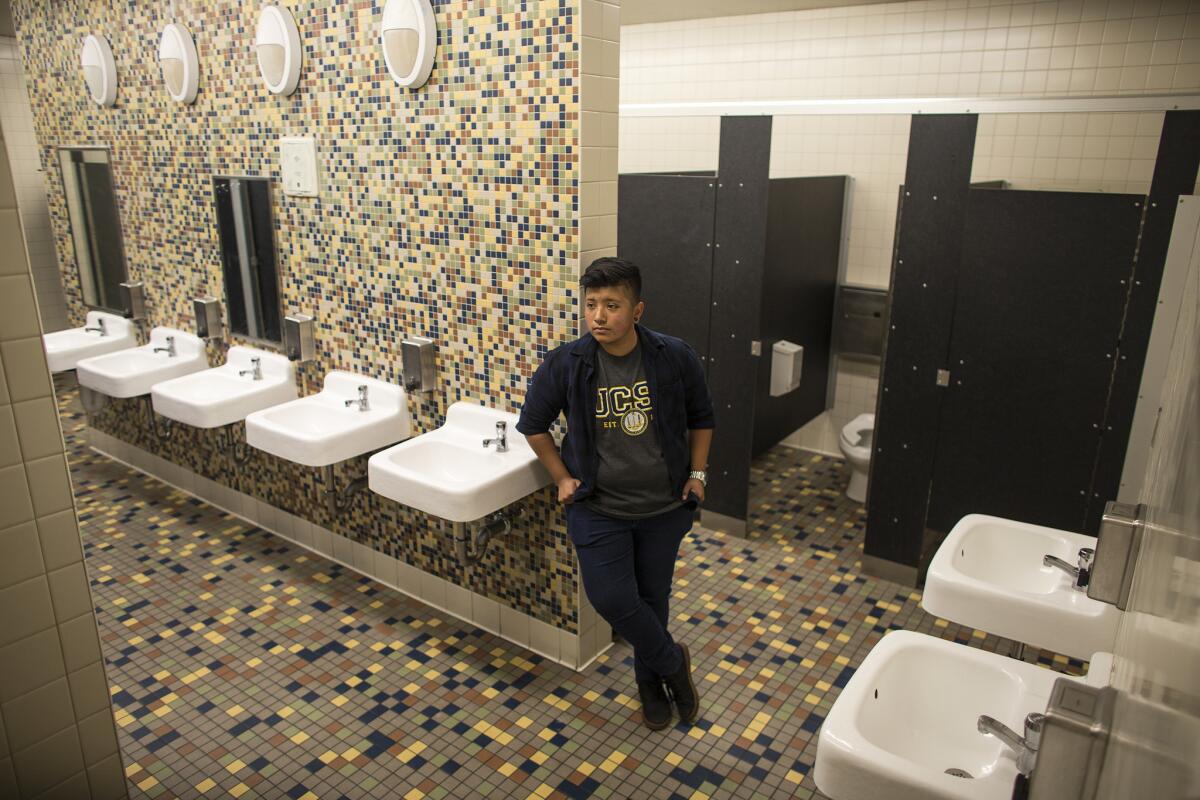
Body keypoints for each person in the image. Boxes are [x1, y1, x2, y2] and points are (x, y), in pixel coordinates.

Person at [516, 257, 715, 730]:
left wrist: (699, 475)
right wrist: (562, 477)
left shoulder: (673, 356)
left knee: (653, 597)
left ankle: (649, 683)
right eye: (591, 305)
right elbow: (533, 425)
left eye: (612, 305)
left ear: (637, 309)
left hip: (663, 507)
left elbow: (701, 417)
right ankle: (672, 664)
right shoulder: (568, 363)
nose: (599, 316)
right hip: (599, 508)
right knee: (610, 597)